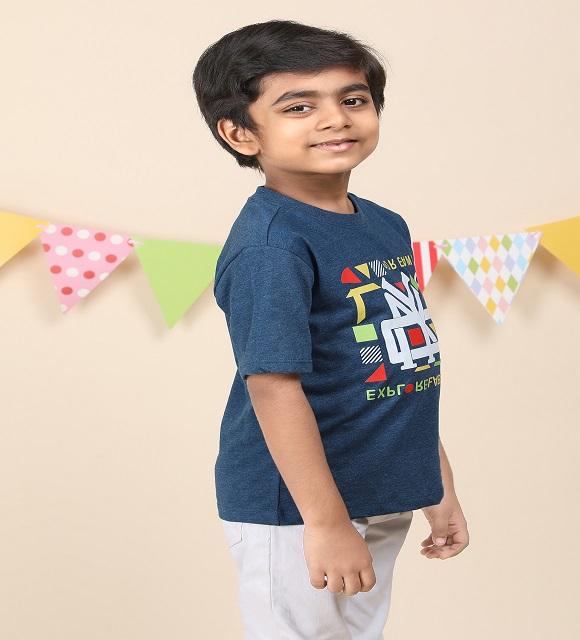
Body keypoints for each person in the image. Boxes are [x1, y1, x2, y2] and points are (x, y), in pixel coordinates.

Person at [192, 19, 469, 639]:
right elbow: (273, 387)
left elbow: (401, 363)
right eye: (298, 107)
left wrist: (436, 484)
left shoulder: (384, 225)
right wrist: (325, 522)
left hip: (381, 489)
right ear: (240, 133)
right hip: (299, 509)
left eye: (353, 99)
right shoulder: (272, 246)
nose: (335, 119)